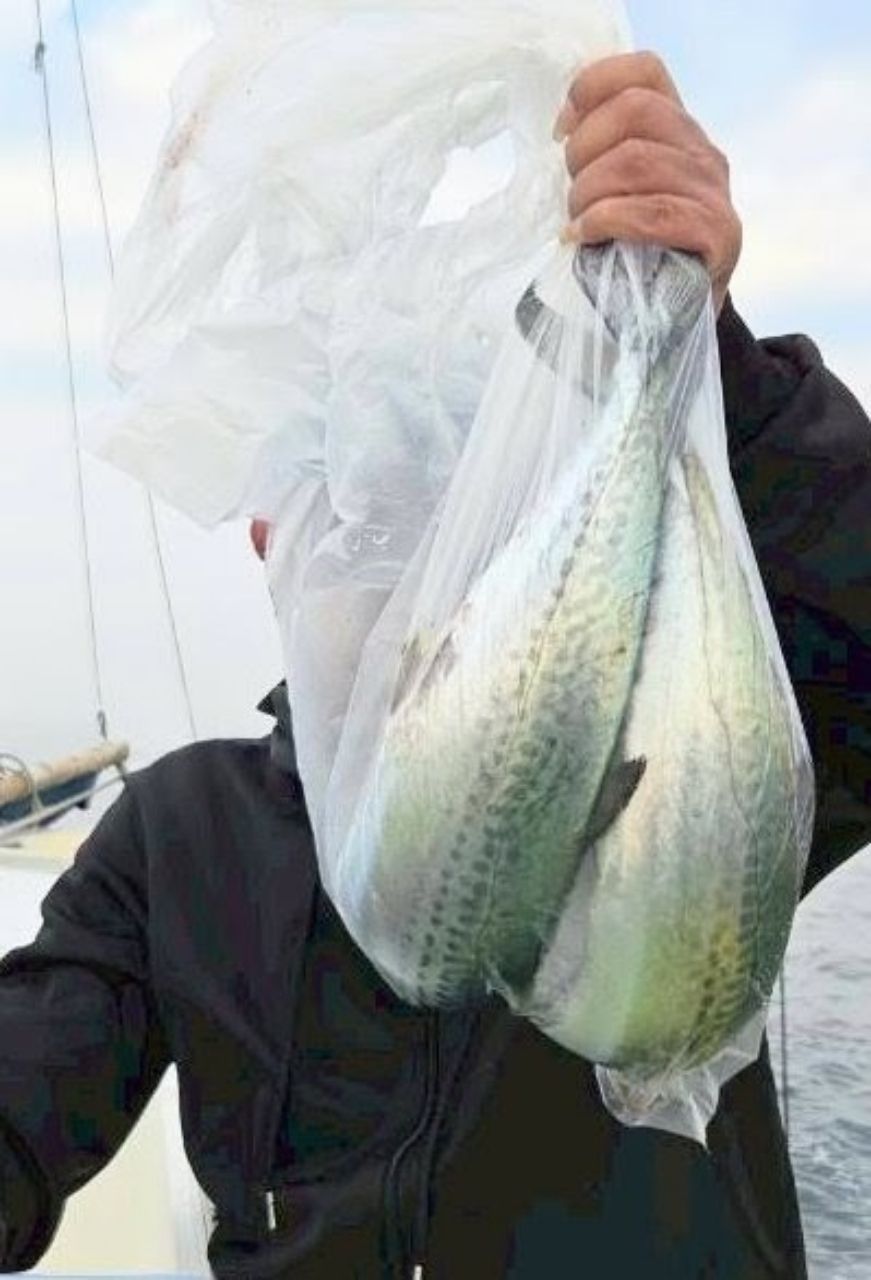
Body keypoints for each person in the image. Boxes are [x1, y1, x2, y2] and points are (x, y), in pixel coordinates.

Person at [1, 51, 869, 1280]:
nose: (393, 565)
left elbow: (855, 637)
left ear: (510, 508)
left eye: (439, 497)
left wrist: (704, 351)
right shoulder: (174, 832)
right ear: (268, 539)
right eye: (347, 513)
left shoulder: (662, 726)